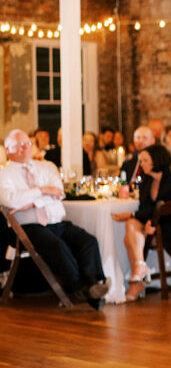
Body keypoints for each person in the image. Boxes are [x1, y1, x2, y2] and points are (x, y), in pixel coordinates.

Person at [0, 130, 108, 309]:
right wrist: (43, 191)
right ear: (8, 149)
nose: (24, 148)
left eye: (27, 143)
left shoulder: (47, 166)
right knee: (57, 246)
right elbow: (11, 200)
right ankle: (81, 289)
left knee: (88, 241)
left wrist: (31, 202)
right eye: (19, 145)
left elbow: (58, 191)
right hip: (29, 227)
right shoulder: (4, 175)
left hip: (56, 221)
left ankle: (93, 285)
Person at [112, 145, 171, 301]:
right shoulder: (146, 181)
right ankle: (140, 268)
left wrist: (149, 220)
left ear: (156, 161)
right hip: (157, 224)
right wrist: (147, 219)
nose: (141, 164)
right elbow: (147, 207)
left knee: (129, 235)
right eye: (140, 160)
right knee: (131, 225)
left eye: (145, 160)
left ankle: (138, 277)